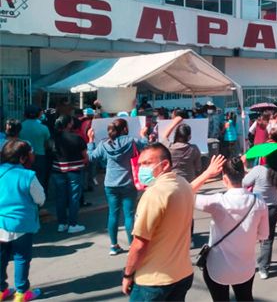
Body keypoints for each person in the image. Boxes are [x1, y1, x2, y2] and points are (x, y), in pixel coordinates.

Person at [121, 143, 195, 301]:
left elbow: (139, 244)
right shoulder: (183, 184)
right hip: (182, 273)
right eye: (140, 164)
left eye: (147, 163)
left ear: (165, 164)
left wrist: (127, 274)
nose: (142, 168)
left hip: (154, 280)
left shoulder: (155, 194)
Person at [193, 156, 269, 302]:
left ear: (225, 178)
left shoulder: (217, 201)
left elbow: (184, 193)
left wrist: (207, 173)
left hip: (217, 267)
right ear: (244, 175)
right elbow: (263, 234)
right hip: (245, 267)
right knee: (245, 298)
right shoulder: (258, 200)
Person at [87, 119, 147, 255]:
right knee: (129, 215)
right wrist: (143, 134)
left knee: (113, 214)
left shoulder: (104, 144)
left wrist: (90, 140)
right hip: (128, 182)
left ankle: (113, 246)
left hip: (110, 183)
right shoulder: (131, 141)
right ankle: (132, 245)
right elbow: (146, 145)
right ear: (125, 129)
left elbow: (91, 157)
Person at [0, 140, 45, 302]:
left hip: (0, 223)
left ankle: (1, 290)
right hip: (21, 224)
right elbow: (40, 198)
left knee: (1, 257)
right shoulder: (28, 176)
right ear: (22, 158)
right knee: (21, 258)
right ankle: (21, 292)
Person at [242, 149, 277, 280]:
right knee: (267, 239)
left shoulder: (258, 169)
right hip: (272, 208)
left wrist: (244, 166)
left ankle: (245, 265)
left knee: (248, 236)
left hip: (256, 207)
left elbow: (245, 183)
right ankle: (264, 268)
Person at [49, 115, 87, 234]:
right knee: (73, 198)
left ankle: (62, 223)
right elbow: (85, 156)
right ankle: (73, 224)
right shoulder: (77, 138)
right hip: (74, 171)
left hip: (57, 170)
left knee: (60, 197)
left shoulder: (53, 138)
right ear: (69, 124)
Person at [19, 105, 50, 196]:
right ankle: (38, 202)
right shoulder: (43, 128)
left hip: (23, 158)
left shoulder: (20, 127)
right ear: (38, 115)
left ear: (24, 115)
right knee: (39, 180)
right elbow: (47, 144)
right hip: (40, 157)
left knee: (24, 180)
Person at [160, 116, 202, 183]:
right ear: (189, 137)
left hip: (171, 180)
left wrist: (175, 122)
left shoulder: (169, 147)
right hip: (188, 181)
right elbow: (198, 167)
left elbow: (164, 136)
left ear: (176, 135)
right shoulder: (194, 149)